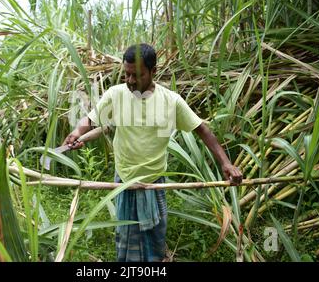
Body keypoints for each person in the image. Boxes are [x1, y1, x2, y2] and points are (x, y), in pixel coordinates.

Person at [62, 43, 243, 262]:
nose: (130, 81)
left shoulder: (171, 101)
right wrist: (76, 131)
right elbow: (90, 119)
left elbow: (202, 129)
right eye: (126, 74)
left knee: (154, 241)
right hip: (125, 180)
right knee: (126, 240)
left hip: (155, 182)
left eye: (137, 75)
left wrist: (226, 163)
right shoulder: (116, 95)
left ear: (153, 71)